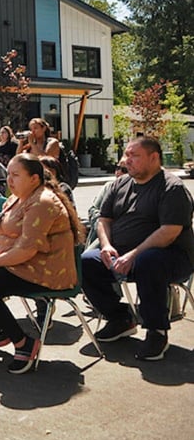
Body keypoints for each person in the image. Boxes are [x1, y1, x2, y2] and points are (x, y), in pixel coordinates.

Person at [0, 154, 84, 374]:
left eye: (15, 175)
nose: (9, 180)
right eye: (8, 175)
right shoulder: (16, 198)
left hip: (44, 269)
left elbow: (26, 250)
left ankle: (23, 342)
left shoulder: (42, 201)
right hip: (17, 263)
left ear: (34, 178)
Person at [81, 137, 194, 360]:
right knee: (86, 262)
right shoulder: (120, 184)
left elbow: (169, 232)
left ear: (154, 158)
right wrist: (106, 245)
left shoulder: (172, 188)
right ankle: (120, 318)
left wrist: (134, 254)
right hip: (123, 254)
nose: (127, 160)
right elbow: (104, 219)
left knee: (148, 261)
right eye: (126, 155)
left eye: (134, 156)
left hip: (170, 257)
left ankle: (156, 331)